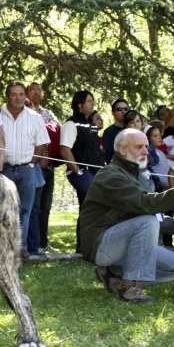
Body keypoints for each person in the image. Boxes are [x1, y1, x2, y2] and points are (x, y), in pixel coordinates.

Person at [80, 129, 174, 303]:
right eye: (139, 147)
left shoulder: (137, 174)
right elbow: (147, 204)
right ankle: (129, 286)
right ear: (122, 150)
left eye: (147, 147)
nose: (145, 151)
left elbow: (157, 216)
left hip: (122, 243)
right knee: (146, 221)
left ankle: (114, 275)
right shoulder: (110, 175)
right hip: (100, 244)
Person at [0, 81, 50, 257]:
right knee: (3, 210)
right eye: (14, 94)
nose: (18, 98)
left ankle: (21, 246)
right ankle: (4, 247)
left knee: (25, 209)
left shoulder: (34, 117)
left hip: (26, 169)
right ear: (8, 96)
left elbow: (41, 143)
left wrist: (31, 163)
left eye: (21, 94)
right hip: (4, 169)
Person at [60, 90, 103, 254]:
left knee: (95, 208)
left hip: (96, 172)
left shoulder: (91, 124)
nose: (93, 103)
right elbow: (65, 150)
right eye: (89, 101)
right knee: (89, 207)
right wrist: (78, 172)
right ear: (80, 105)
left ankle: (92, 245)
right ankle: (82, 248)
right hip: (82, 174)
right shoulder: (71, 124)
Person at [26, 82, 60, 254]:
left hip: (49, 166)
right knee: (35, 206)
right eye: (32, 90)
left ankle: (43, 242)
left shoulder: (48, 113)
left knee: (46, 206)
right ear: (26, 95)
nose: (36, 93)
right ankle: (33, 243)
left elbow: (55, 135)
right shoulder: (25, 113)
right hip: (33, 165)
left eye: (39, 89)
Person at [103, 98, 129, 163]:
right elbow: (110, 156)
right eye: (119, 109)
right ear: (113, 113)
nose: (123, 112)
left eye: (126, 109)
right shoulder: (109, 132)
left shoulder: (133, 129)